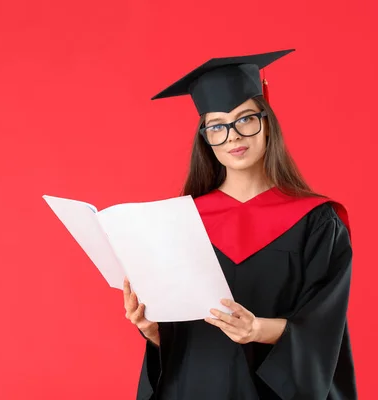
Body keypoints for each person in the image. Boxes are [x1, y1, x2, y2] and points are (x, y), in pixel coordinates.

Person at [124, 49, 357, 399]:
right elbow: (179, 335)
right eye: (217, 126)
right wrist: (154, 332)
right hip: (193, 387)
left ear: (267, 122)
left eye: (245, 119)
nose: (232, 136)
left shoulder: (316, 221)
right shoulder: (181, 222)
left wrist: (257, 329)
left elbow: (324, 330)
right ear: (206, 138)